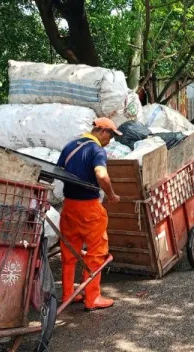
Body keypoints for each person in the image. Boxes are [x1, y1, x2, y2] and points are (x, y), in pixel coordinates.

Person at [57, 118, 121, 311]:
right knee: (96, 252)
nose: (109, 141)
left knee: (69, 252)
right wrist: (111, 195)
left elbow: (58, 171)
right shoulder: (96, 150)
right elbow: (101, 174)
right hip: (89, 209)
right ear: (102, 131)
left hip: (69, 207)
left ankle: (68, 294)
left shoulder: (70, 146)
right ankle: (92, 298)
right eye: (110, 136)